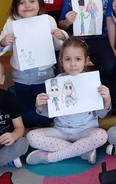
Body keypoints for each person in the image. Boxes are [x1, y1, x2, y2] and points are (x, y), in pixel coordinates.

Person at [25, 37, 111, 165]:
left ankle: (51, 157)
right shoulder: (56, 82)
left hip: (86, 130)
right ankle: (82, 151)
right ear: (61, 61)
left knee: (102, 135)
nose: (73, 64)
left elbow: (101, 114)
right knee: (31, 137)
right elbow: (51, 113)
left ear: (86, 60)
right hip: (61, 130)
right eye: (67, 59)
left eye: (78, 59)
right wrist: (40, 106)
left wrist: (107, 99)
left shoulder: (92, 82)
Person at [0, 0, 68, 127]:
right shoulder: (12, 22)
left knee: (46, 116)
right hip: (22, 78)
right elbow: (1, 48)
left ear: (39, 3)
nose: (27, 5)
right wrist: (4, 41)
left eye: (32, 1)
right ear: (16, 6)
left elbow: (57, 46)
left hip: (45, 76)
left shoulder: (48, 20)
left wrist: (61, 36)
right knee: (27, 118)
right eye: (21, 2)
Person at [59, 0, 116, 91]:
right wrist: (67, 22)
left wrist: (112, 46)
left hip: (99, 39)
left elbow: (110, 21)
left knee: (109, 64)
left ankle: (104, 94)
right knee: (66, 65)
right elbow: (61, 24)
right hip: (77, 40)